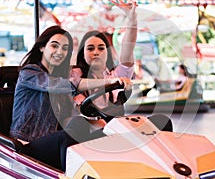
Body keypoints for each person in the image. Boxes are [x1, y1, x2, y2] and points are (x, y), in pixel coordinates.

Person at [9, 25, 132, 171]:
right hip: (26, 143)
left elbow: (75, 110)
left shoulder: (62, 76)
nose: (60, 52)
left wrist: (104, 126)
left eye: (65, 48)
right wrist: (109, 81)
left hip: (50, 142)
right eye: (55, 46)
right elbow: (66, 85)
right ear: (42, 47)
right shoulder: (29, 73)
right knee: (66, 137)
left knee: (86, 126)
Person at [71, 0, 172, 131]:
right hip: (92, 133)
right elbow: (76, 105)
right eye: (90, 48)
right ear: (83, 53)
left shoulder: (116, 75)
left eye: (101, 48)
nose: (96, 52)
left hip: (116, 129)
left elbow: (128, 46)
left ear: (107, 53)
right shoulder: (76, 76)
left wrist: (132, 19)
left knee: (162, 121)